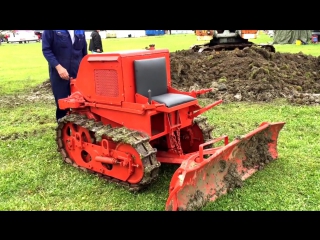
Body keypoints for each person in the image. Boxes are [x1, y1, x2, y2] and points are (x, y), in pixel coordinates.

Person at [42, 30, 88, 122]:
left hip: (77, 72)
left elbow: (84, 51)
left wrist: (85, 71)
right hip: (59, 73)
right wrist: (59, 68)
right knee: (62, 103)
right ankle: (63, 131)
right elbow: (46, 50)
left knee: (81, 103)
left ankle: (79, 130)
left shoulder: (80, 31)